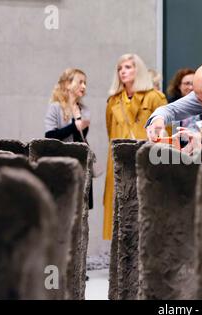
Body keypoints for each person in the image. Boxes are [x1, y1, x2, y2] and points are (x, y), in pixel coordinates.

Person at [103, 53, 167, 240]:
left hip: (147, 158)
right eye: (120, 68)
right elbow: (110, 132)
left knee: (145, 209)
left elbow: (166, 133)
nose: (123, 71)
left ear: (138, 69)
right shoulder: (113, 101)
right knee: (120, 210)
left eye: (128, 67)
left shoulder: (155, 97)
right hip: (119, 161)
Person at [44, 68, 93, 210]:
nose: (84, 86)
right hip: (62, 164)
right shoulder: (55, 108)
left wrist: (79, 124)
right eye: (80, 82)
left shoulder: (84, 110)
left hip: (81, 165)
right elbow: (49, 136)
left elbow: (80, 139)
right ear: (67, 84)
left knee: (81, 211)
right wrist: (74, 126)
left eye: (85, 83)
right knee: (62, 209)